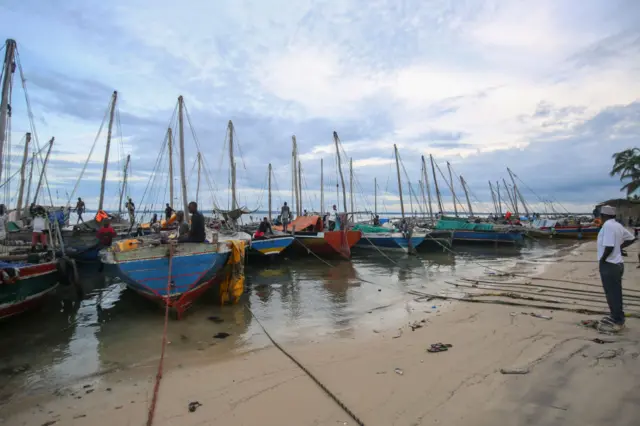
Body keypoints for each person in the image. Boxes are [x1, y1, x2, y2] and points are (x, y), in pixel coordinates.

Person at [597, 205, 637, 333]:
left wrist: (603, 259)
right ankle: (616, 316)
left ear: (603, 216)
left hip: (609, 265)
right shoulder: (617, 225)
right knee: (615, 292)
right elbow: (631, 238)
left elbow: (608, 246)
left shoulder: (608, 226)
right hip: (617, 264)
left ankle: (618, 320)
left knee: (612, 293)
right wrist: (619, 248)